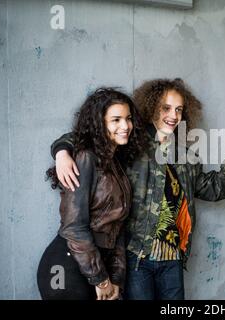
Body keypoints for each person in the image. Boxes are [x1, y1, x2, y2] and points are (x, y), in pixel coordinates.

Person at [49, 78, 225, 300]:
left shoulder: (186, 157)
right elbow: (91, 135)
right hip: (136, 257)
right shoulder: (131, 142)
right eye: (166, 108)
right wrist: (62, 151)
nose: (173, 115)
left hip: (173, 259)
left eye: (179, 109)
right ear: (151, 106)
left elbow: (213, 188)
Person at [37, 88, 145, 300]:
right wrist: (100, 279)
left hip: (96, 268)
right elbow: (74, 227)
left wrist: (115, 279)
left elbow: (118, 228)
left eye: (128, 118)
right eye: (116, 120)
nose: (125, 126)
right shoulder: (86, 158)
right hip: (66, 268)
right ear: (99, 123)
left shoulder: (116, 162)